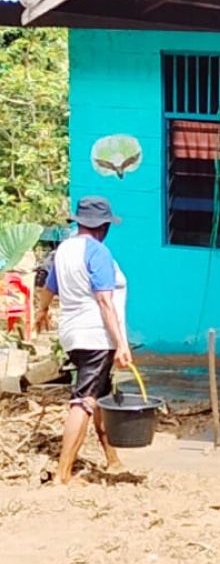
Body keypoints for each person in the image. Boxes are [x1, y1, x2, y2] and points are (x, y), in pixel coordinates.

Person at [34, 197, 132, 485]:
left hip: (72, 334)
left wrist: (41, 312)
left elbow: (49, 287)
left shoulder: (64, 250)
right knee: (84, 400)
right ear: (103, 226)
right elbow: (104, 301)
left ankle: (112, 458)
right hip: (95, 335)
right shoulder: (98, 252)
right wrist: (122, 343)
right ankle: (63, 474)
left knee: (99, 395)